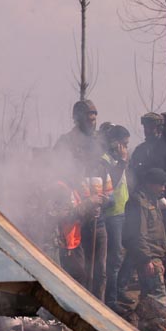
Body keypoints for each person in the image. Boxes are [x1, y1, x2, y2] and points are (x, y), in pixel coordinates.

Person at [54, 99, 108, 300]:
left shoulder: (97, 141)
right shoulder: (66, 141)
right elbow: (56, 174)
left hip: (97, 217)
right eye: (88, 116)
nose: (92, 120)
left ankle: (100, 312)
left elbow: (105, 172)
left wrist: (101, 201)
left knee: (99, 271)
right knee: (79, 273)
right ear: (78, 118)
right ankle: (80, 311)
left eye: (94, 115)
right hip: (75, 219)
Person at [123, 167, 166, 308]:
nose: (163, 188)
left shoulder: (152, 200)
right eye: (160, 185)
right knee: (158, 300)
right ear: (150, 184)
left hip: (154, 256)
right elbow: (139, 234)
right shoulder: (139, 203)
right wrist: (146, 259)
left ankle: (144, 327)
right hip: (150, 258)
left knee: (148, 299)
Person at [100, 126, 132, 310]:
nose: (126, 148)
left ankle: (118, 292)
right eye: (124, 144)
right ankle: (110, 302)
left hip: (122, 212)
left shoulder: (115, 159)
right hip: (112, 216)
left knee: (121, 256)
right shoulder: (106, 161)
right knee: (113, 260)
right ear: (116, 143)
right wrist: (122, 162)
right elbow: (112, 181)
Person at [129, 112, 166, 190]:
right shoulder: (140, 149)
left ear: (159, 128)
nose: (147, 131)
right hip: (145, 192)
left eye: (151, 128)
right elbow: (133, 172)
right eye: (145, 128)